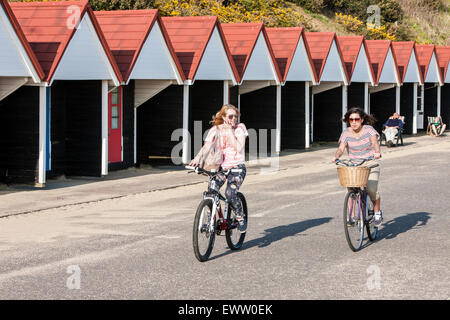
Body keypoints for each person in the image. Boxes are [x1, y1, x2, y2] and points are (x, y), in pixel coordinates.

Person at [189, 104, 249, 232]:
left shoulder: (240, 128)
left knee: (230, 193)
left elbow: (239, 148)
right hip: (221, 167)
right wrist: (197, 159)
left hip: (237, 167)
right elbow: (206, 146)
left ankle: (240, 217)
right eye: (231, 116)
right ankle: (211, 220)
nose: (234, 119)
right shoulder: (216, 129)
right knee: (211, 190)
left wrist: (229, 131)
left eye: (236, 116)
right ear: (223, 117)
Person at [332, 107, 383, 226]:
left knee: (371, 189)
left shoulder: (369, 130)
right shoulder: (346, 133)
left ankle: (377, 212)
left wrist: (377, 152)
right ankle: (351, 216)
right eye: (351, 120)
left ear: (362, 119)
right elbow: (341, 148)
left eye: (357, 119)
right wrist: (337, 156)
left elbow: (375, 143)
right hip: (354, 165)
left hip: (370, 163)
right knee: (351, 190)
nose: (354, 122)